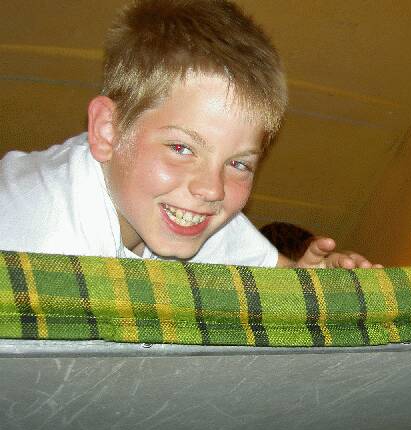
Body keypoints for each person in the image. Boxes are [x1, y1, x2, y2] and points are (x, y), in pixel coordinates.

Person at [0, 0, 376, 269]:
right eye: (181, 148)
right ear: (107, 131)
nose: (212, 189)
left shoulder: (186, 207)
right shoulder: (41, 252)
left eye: (238, 164)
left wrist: (307, 278)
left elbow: (275, 273)